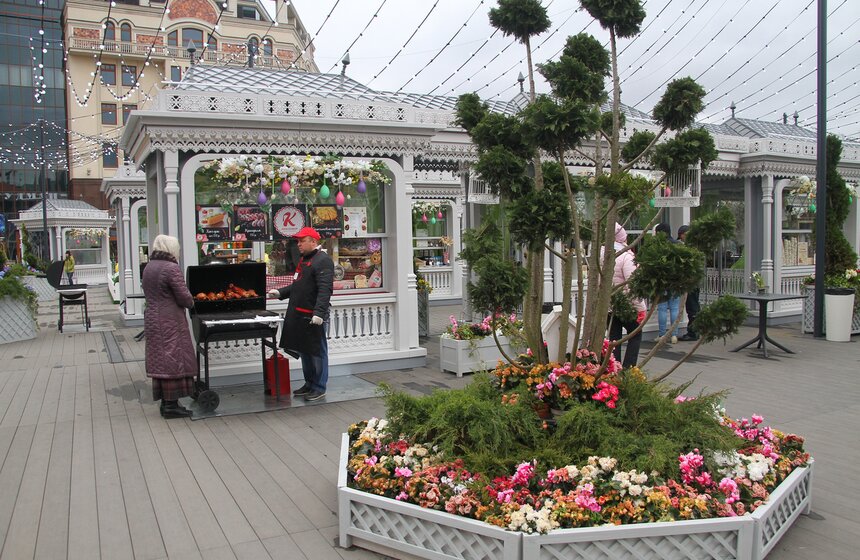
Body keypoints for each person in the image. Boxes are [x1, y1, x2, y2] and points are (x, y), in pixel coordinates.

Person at [268, 227, 334, 402]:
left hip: (313, 317)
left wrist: (319, 313)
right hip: (299, 315)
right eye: (297, 241)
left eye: (301, 240)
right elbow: (298, 286)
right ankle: (309, 383)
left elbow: (324, 290)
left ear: (313, 241)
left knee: (317, 351)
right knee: (305, 351)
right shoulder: (304, 260)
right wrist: (280, 293)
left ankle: (319, 387)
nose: (298, 244)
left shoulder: (323, 261)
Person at [142, 234, 197, 419]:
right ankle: (172, 406)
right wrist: (192, 302)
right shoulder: (171, 268)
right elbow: (183, 296)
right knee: (174, 359)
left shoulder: (150, 267)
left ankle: (166, 403)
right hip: (169, 321)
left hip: (152, 318)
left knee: (161, 360)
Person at [608, 223, 647, 368]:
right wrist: (640, 308)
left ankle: (614, 368)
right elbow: (632, 284)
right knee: (635, 335)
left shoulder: (601, 254)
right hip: (626, 305)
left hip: (609, 305)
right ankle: (628, 369)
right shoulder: (626, 256)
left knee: (614, 338)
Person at [654, 223, 680, 344]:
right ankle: (674, 335)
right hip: (675, 280)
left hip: (662, 281)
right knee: (674, 308)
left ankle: (662, 335)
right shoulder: (677, 245)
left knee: (662, 308)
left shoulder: (658, 246)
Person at [677, 225, 700, 341]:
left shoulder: (692, 248)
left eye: (683, 235)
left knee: (692, 307)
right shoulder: (693, 247)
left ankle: (693, 332)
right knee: (693, 307)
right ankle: (695, 330)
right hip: (693, 281)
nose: (682, 238)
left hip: (692, 282)